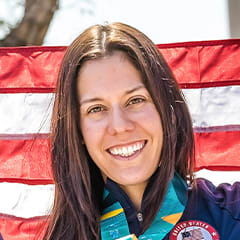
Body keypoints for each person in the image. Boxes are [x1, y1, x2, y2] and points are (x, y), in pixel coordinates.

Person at [43, 22, 240, 240]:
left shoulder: (232, 216)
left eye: (135, 100)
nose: (119, 126)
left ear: (169, 111)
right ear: (77, 130)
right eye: (96, 108)